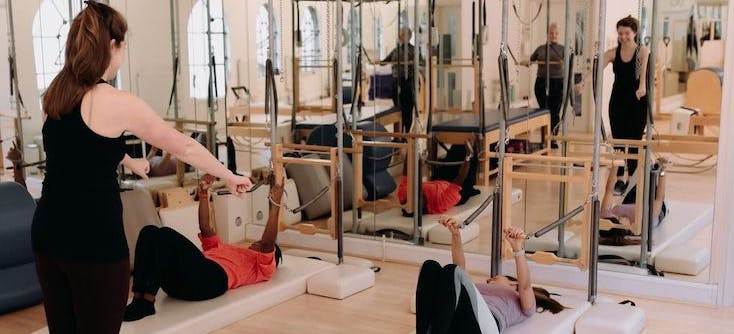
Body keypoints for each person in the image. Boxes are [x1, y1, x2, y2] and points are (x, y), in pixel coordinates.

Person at [32, 2, 251, 333]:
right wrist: (229, 175)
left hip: (48, 235)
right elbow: (186, 146)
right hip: (93, 241)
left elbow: (78, 148)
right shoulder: (117, 102)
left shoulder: (54, 95)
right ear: (112, 46)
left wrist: (128, 158)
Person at [123, 174, 284, 321]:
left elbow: (268, 242)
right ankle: (138, 298)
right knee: (148, 231)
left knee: (165, 234)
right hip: (181, 283)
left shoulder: (262, 268)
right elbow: (205, 226)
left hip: (210, 282)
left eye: (260, 244)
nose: (256, 242)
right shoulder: (224, 247)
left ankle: (147, 302)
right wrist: (204, 193)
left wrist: (275, 203)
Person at [416, 221, 566, 333]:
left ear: (514, 283)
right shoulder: (476, 292)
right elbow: (458, 272)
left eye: (495, 278)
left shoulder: (518, 298)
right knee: (430, 266)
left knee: (451, 270)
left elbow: (525, 285)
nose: (489, 280)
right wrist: (456, 235)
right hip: (458, 320)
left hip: (485, 326)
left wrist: (518, 248)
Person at [601, 16, 650, 194]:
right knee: (619, 141)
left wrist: (642, 87)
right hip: (618, 102)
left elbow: (643, 73)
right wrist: (582, 82)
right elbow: (596, 67)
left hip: (637, 100)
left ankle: (632, 179)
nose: (623, 36)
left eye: (626, 33)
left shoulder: (643, 51)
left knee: (635, 140)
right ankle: (620, 178)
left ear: (634, 33)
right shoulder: (613, 53)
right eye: (620, 33)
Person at [600, 158, 669, 242]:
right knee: (650, 180)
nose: (620, 217)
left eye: (617, 217)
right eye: (620, 220)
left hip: (630, 203)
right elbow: (659, 197)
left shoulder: (606, 217)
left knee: (642, 171)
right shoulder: (645, 222)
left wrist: (616, 164)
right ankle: (653, 167)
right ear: (625, 229)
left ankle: (649, 164)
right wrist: (663, 170)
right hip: (652, 206)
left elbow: (609, 190)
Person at [397, 140, 474, 215]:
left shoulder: (404, 195)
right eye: (418, 199)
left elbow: (406, 171)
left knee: (457, 146)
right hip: (459, 187)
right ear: (423, 207)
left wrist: (411, 145)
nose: (416, 194)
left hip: (438, 182)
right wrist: (468, 155)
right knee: (470, 153)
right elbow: (460, 178)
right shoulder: (440, 203)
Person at [520, 23, 566, 140]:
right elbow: (530, 61)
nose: (554, 35)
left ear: (558, 35)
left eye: (556, 33)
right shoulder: (540, 49)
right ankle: (544, 139)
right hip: (541, 82)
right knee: (544, 112)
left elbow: (571, 63)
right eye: (551, 33)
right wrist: (525, 62)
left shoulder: (562, 49)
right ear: (547, 34)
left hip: (557, 83)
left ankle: (553, 139)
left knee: (555, 113)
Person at [382, 27, 421, 133]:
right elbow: (385, 61)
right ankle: (398, 133)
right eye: (401, 35)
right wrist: (376, 61)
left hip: (409, 83)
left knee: (408, 110)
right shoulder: (396, 50)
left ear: (409, 36)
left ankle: (407, 133)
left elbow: (420, 62)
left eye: (405, 35)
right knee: (398, 109)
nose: (402, 37)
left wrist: (413, 63)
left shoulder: (414, 50)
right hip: (397, 83)